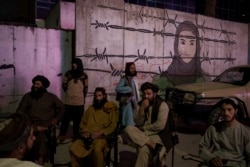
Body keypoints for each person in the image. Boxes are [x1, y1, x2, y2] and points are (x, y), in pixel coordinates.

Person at [16, 75, 64, 165]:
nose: (35, 86)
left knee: (42, 138)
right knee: (22, 137)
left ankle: (40, 160)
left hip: (46, 126)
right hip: (30, 126)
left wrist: (57, 119)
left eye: (38, 84)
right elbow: (19, 112)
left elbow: (62, 108)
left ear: (43, 86)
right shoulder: (27, 97)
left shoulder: (51, 97)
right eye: (34, 83)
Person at [153, 21, 210, 93]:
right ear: (176, 45)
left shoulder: (204, 79)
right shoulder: (162, 79)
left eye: (192, 43)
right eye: (183, 42)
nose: (187, 49)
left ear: (197, 47)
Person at [69, 87, 118, 167]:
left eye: (100, 96)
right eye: (96, 96)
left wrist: (101, 132)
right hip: (87, 136)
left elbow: (113, 125)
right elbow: (82, 124)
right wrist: (85, 131)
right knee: (73, 147)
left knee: (96, 150)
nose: (98, 98)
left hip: (101, 137)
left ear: (104, 96)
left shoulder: (109, 109)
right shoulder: (90, 109)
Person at [124, 82, 170, 167]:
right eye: (144, 94)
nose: (146, 96)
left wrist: (143, 129)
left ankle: (156, 151)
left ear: (154, 94)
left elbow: (159, 125)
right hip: (144, 135)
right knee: (128, 128)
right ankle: (152, 145)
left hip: (158, 135)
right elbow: (137, 122)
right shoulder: (140, 104)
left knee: (143, 149)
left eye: (149, 94)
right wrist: (142, 108)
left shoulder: (162, 105)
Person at [199, 98, 250, 167]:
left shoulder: (245, 131)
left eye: (229, 110)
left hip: (236, 163)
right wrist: (211, 158)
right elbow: (203, 147)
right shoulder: (213, 128)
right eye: (223, 110)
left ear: (236, 111)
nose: (226, 113)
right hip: (216, 162)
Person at [58, 57, 88, 140]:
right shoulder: (68, 74)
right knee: (65, 120)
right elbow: (64, 85)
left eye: (75, 63)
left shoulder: (84, 75)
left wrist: (81, 96)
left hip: (79, 102)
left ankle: (76, 136)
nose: (74, 65)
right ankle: (62, 135)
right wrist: (70, 93)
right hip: (68, 102)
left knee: (77, 121)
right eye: (73, 63)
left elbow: (86, 88)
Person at [115, 62, 140, 128]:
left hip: (133, 103)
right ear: (127, 69)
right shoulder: (124, 79)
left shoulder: (133, 79)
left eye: (134, 68)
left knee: (132, 121)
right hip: (127, 103)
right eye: (131, 68)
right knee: (127, 122)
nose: (133, 69)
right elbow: (118, 88)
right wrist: (129, 89)